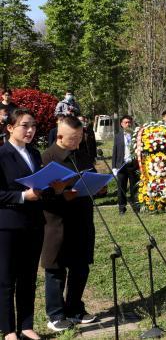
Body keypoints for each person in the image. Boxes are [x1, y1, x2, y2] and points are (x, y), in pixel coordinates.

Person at [41, 116, 98, 332]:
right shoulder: (48, 157)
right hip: (57, 223)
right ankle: (55, 314)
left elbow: (90, 176)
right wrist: (62, 195)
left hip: (82, 219)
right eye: (73, 139)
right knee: (56, 269)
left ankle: (75, 308)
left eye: (80, 137)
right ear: (60, 136)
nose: (77, 142)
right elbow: (42, 194)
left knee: (80, 266)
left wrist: (99, 188)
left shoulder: (81, 154)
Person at [0, 108, 44, 340]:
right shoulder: (2, 155)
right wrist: (22, 197)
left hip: (34, 223)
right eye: (25, 125)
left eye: (33, 126)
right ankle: (8, 330)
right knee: (6, 279)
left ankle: (26, 325)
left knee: (28, 278)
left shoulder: (35, 154)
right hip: (8, 225)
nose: (30, 130)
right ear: (10, 128)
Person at [112, 115, 139, 215]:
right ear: (121, 124)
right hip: (121, 165)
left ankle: (136, 206)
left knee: (134, 187)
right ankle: (122, 208)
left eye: (129, 122)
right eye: (126, 122)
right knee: (121, 188)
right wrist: (114, 167)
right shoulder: (118, 136)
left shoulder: (135, 135)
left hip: (132, 165)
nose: (128, 124)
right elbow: (115, 151)